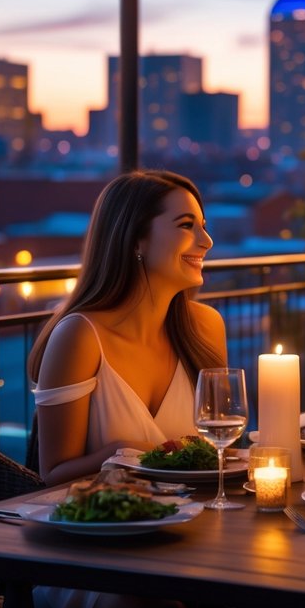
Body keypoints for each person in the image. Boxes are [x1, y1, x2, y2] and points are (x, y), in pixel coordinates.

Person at [27, 169, 226, 486]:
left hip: (195, 523)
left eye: (203, 227)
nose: (207, 241)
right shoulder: (80, 336)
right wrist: (122, 452)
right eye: (187, 226)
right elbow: (51, 475)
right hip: (106, 528)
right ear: (136, 240)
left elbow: (219, 451)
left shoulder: (207, 326)